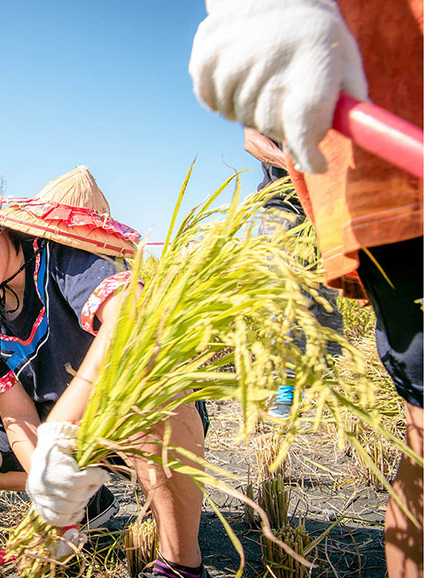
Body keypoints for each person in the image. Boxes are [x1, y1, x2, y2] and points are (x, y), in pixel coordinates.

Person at [189, 1, 422, 576]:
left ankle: (321, 381)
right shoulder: (300, 45)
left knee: (325, 310)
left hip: (344, 172)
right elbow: (252, 138)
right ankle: (288, 392)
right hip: (298, 190)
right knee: (290, 292)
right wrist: (292, 155)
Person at [0, 169, 210, 578]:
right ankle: (82, 502)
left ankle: (181, 563)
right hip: (55, 431)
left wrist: (60, 430)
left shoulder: (60, 251)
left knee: (153, 389)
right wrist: (47, 484)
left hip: (125, 421)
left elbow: (134, 320)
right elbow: (16, 412)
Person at [245, 128, 345, 418]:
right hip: (283, 203)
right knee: (283, 294)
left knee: (325, 291)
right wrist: (298, 166)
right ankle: (285, 386)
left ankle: (324, 381)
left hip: (328, 201)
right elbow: (252, 141)